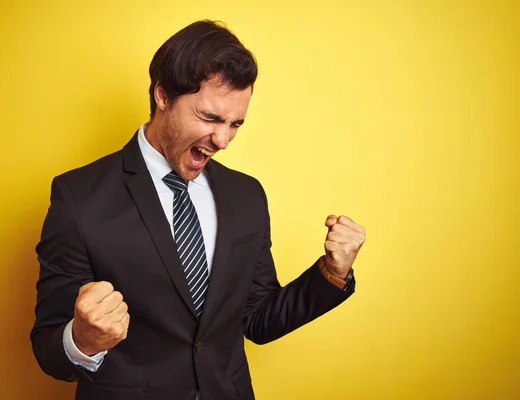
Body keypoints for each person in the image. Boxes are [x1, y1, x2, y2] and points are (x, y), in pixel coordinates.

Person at [30, 20, 366, 400]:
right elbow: (49, 347)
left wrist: (332, 274)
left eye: (235, 124)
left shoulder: (246, 194)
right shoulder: (79, 196)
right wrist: (82, 340)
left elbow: (258, 319)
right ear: (162, 96)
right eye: (209, 118)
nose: (222, 140)